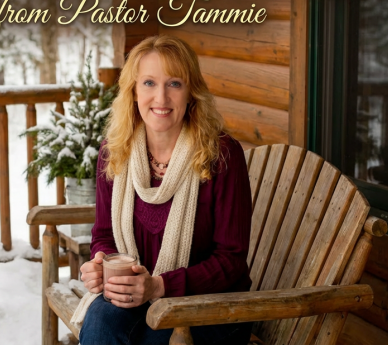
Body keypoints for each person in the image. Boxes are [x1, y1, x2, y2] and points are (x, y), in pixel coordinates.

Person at [73, 35, 253, 345]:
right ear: (132, 91)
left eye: (174, 84)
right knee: (101, 320)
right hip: (136, 298)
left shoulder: (221, 155)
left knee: (153, 338)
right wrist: (100, 263)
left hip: (210, 306)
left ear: (191, 93)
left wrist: (158, 287)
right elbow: (104, 234)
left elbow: (231, 259)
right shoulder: (115, 152)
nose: (161, 98)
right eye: (149, 83)